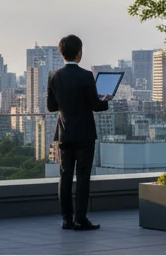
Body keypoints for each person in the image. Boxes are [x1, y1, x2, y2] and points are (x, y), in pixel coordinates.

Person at [46, 34, 111, 231]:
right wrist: (106, 99)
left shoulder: (54, 76)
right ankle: (80, 219)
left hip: (64, 135)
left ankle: (66, 219)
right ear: (79, 53)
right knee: (83, 178)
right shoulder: (86, 76)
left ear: (62, 53)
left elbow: (51, 106)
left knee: (65, 177)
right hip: (84, 135)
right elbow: (95, 106)